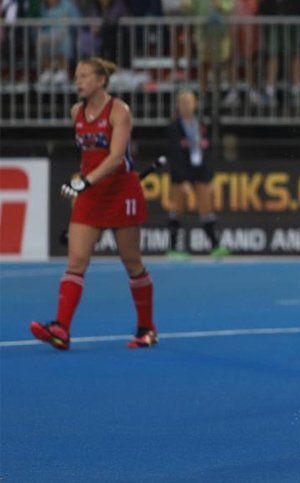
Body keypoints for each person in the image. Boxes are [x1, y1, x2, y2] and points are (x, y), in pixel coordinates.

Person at [30, 57, 157, 350]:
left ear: (101, 80)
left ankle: (147, 328)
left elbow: (116, 157)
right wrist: (82, 182)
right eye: (77, 76)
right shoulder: (76, 112)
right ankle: (61, 328)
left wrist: (85, 181)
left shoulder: (119, 111)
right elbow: (87, 156)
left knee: (132, 262)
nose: (78, 82)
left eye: (85, 76)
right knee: (76, 262)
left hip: (120, 191)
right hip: (91, 193)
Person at [165, 89, 229, 260]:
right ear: (178, 106)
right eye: (183, 103)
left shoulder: (201, 125)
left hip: (199, 170)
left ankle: (215, 246)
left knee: (206, 208)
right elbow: (174, 155)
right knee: (177, 209)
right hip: (182, 172)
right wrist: (182, 179)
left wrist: (209, 176)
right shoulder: (174, 127)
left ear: (195, 104)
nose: (186, 106)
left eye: (189, 102)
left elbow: (207, 152)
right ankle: (173, 248)